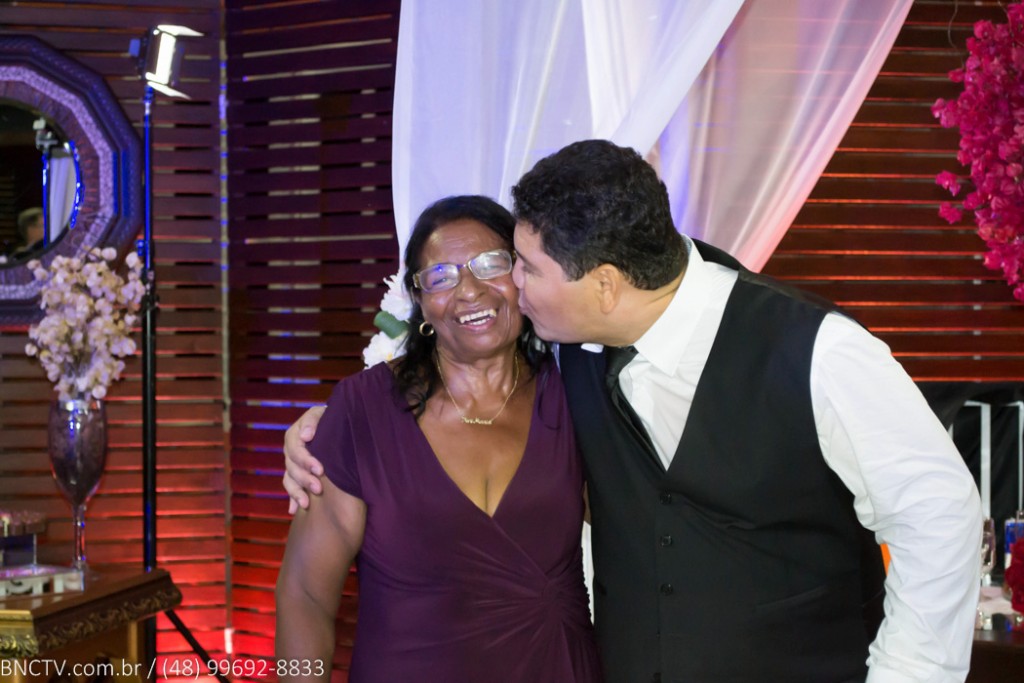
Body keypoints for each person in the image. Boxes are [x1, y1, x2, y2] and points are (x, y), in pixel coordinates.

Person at [284, 141, 982, 682]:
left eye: (520, 267)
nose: (509, 288)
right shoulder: (574, 354)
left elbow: (938, 511)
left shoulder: (817, 350)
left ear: (605, 286)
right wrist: (326, 424)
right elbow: (425, 409)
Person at [275, 195, 602, 682]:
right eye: (441, 277)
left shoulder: (575, 394)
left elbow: (641, 535)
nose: (469, 290)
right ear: (420, 301)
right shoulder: (363, 411)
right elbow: (303, 594)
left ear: (521, 275)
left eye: (490, 264)